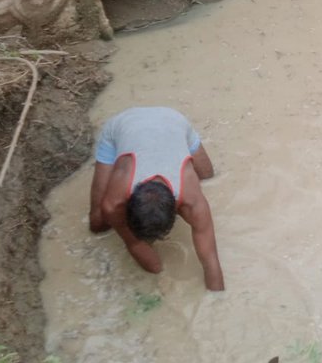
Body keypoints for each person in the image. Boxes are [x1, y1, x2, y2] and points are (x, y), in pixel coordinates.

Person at [88, 106, 225, 290]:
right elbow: (135, 243)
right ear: (127, 205)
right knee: (98, 223)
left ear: (178, 207)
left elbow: (211, 261)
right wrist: (160, 282)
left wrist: (216, 301)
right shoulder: (114, 203)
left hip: (173, 122)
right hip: (124, 126)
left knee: (208, 177)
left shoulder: (193, 201)